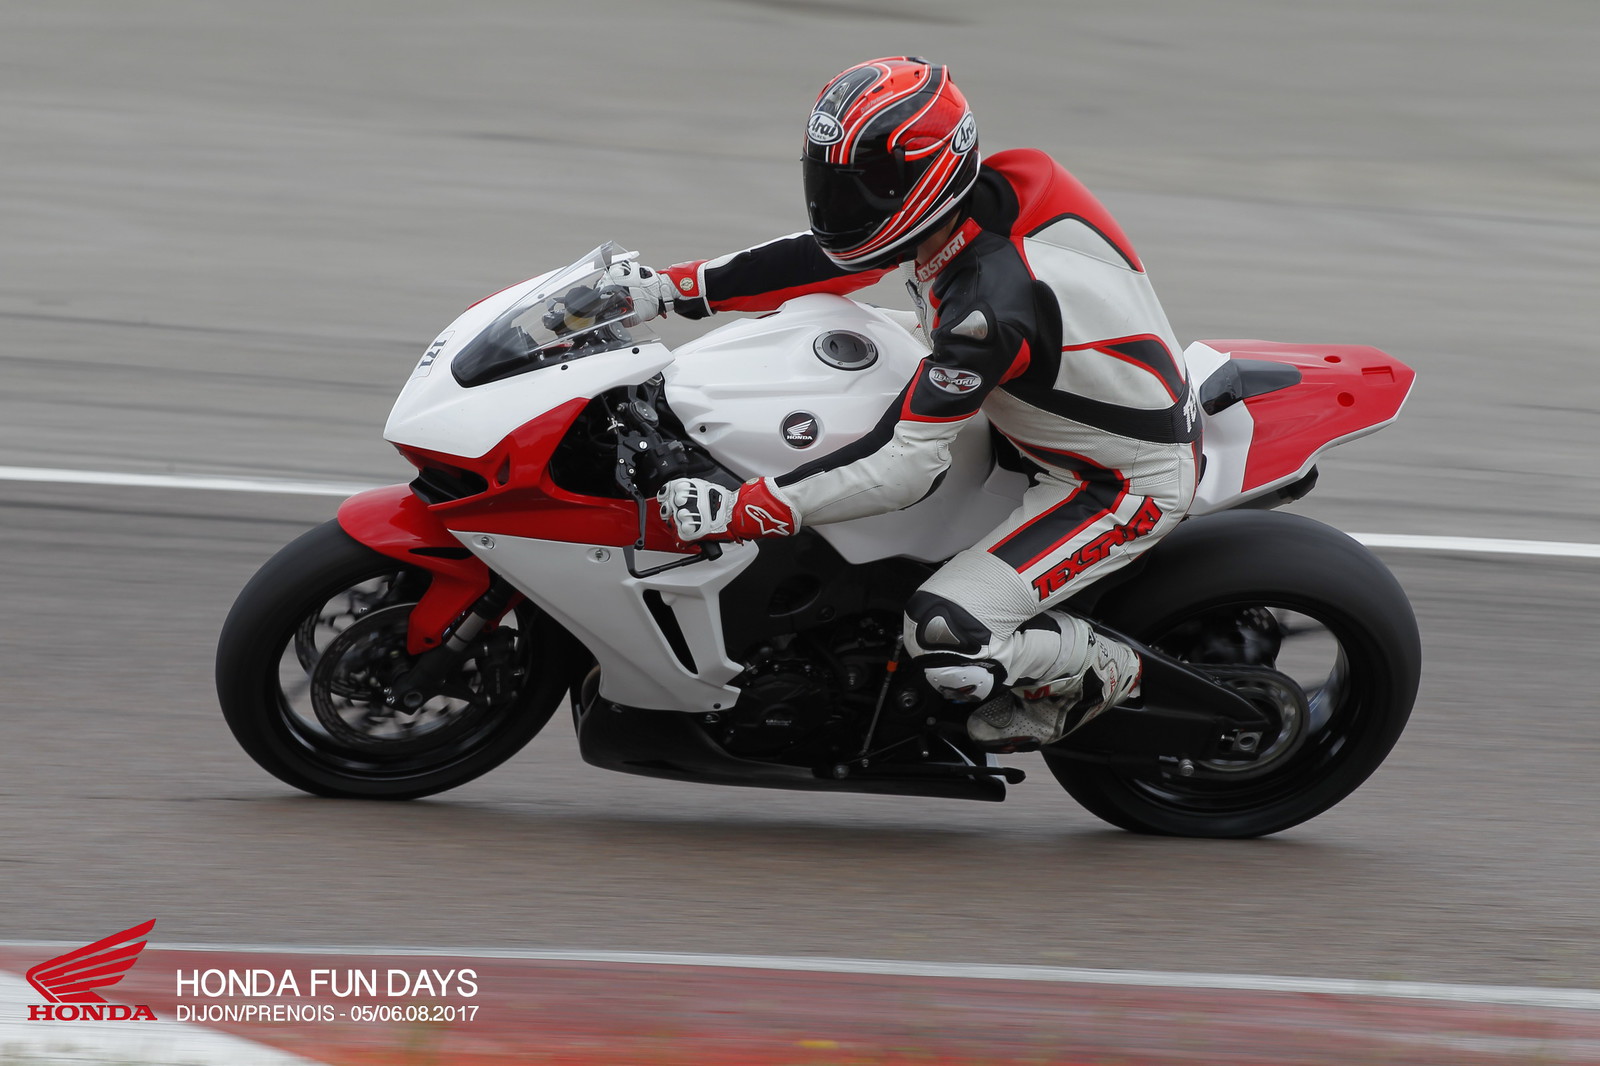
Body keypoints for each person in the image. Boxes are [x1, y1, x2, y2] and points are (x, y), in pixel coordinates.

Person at [608, 57, 1199, 752]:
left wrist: (745, 509)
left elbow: (903, 468)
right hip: (1022, 392)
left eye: (863, 187)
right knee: (810, 345)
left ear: (925, 178)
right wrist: (670, 289)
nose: (838, 205)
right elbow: (827, 259)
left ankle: (1102, 670)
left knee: (947, 636)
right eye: (830, 181)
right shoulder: (976, 198)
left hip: (1111, 481)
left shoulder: (987, 308)